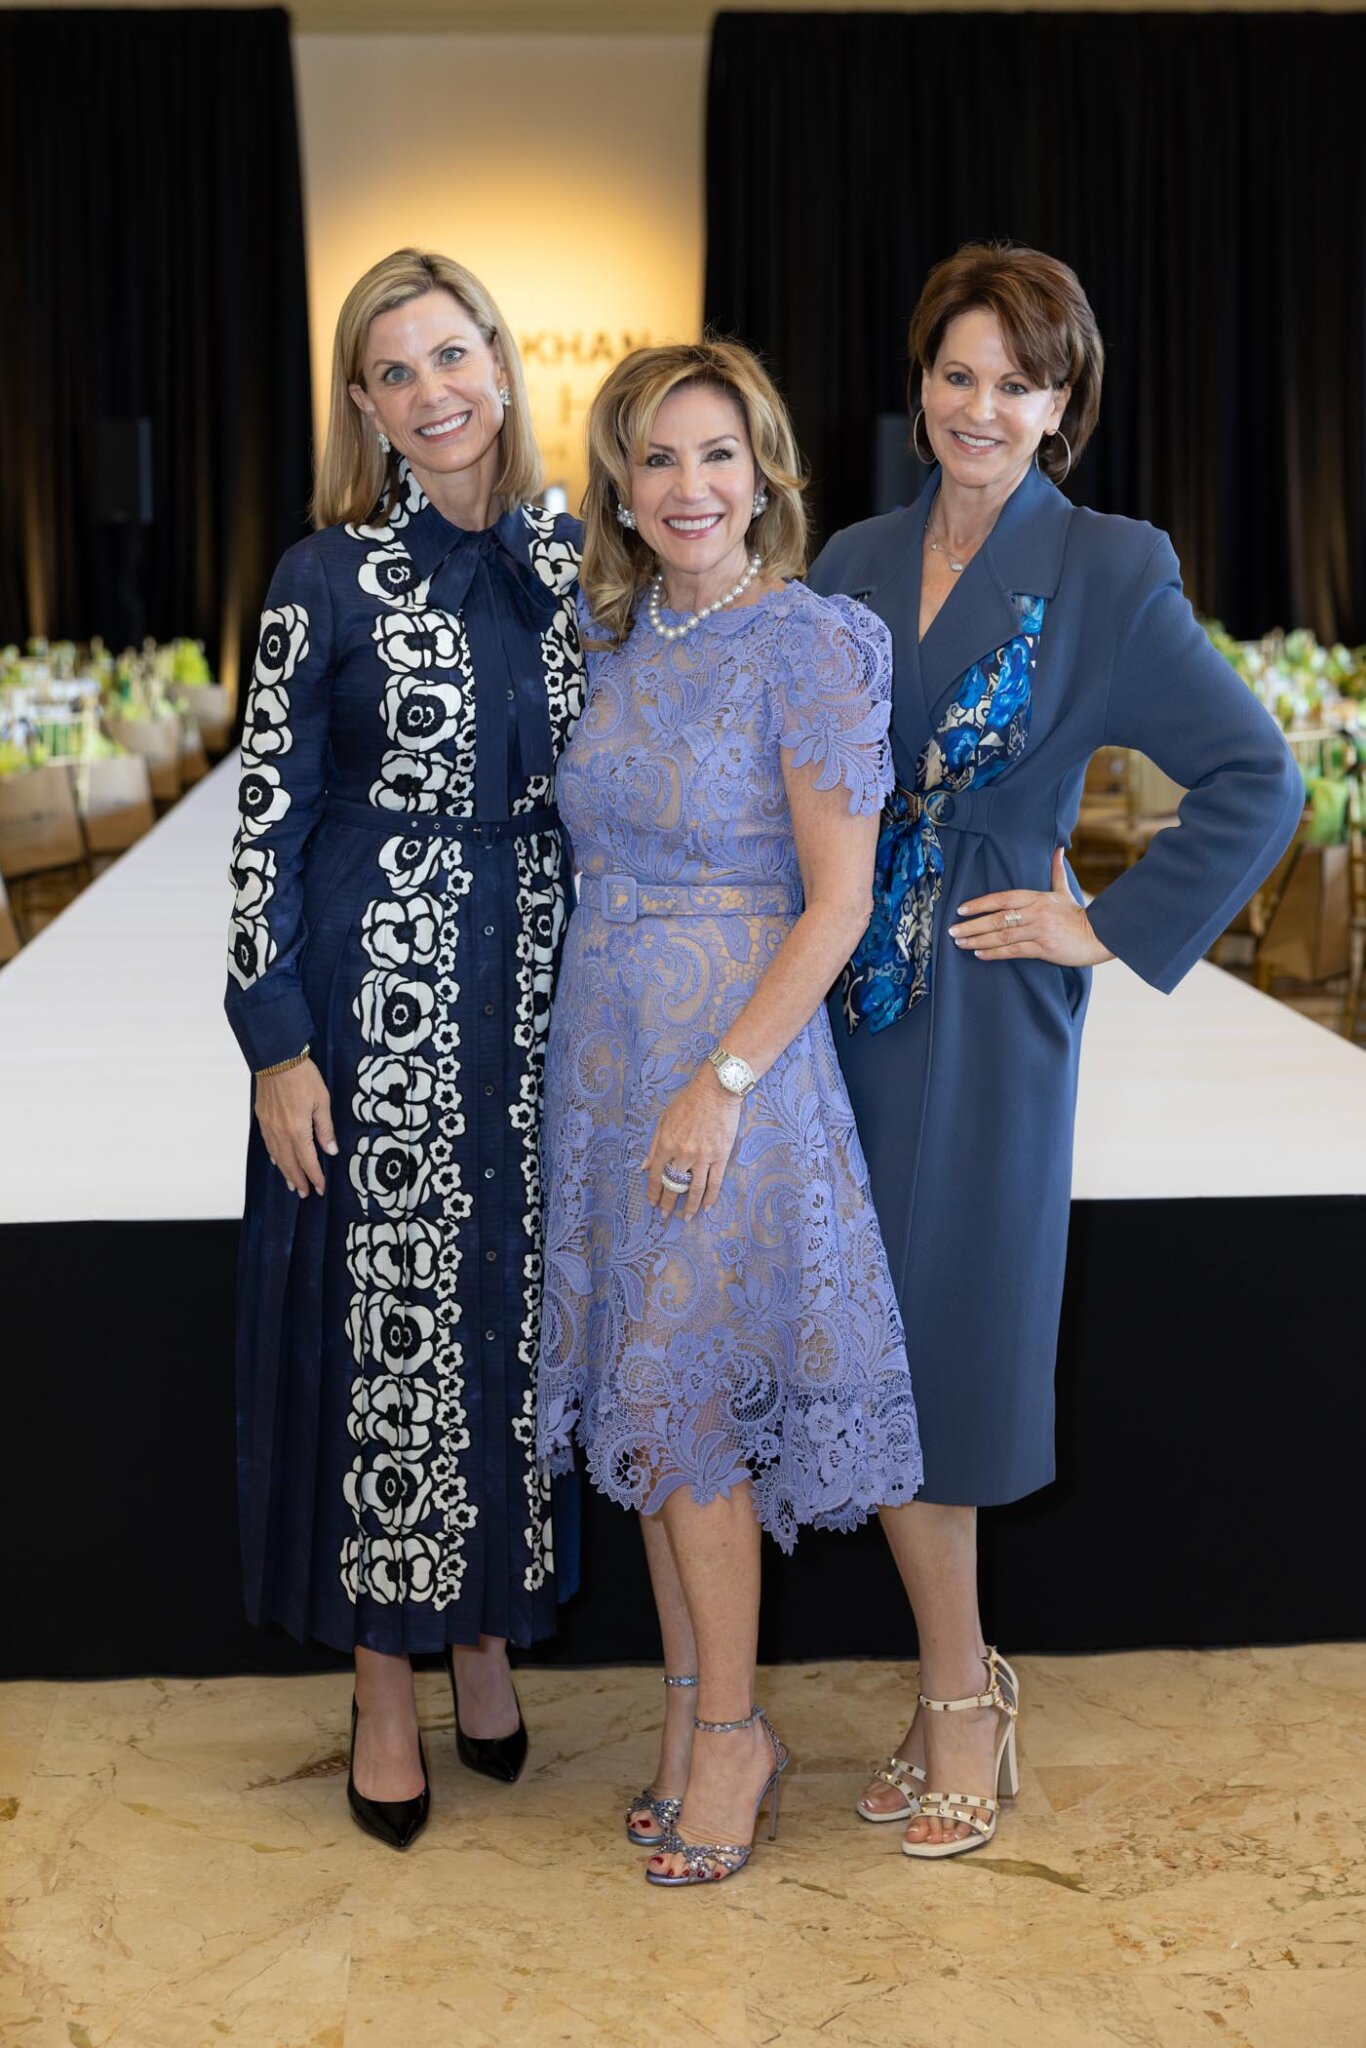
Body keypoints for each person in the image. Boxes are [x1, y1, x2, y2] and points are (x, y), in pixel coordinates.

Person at [808, 241, 1304, 1860]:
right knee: (863, 1343)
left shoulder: (1104, 564)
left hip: (981, 1000)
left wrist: (1103, 925)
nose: (979, 406)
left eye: (1015, 381)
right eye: (955, 373)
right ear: (919, 385)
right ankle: (953, 1673)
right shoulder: (854, 555)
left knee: (939, 1342)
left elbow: (1253, 777)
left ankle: (960, 1690)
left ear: (1061, 402)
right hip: (833, 998)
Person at [535, 340, 923, 1888]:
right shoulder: (612, 644)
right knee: (645, 1399)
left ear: (764, 467)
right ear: (619, 491)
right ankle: (693, 1713)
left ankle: (737, 1738)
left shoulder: (814, 644)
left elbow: (833, 908)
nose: (686, 488)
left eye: (715, 455)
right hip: (603, 1062)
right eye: (654, 459)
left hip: (733, 1072)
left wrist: (721, 1084)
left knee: (694, 1413)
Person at [224, 248, 584, 1851]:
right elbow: (263, 824)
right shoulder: (321, 576)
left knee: (512, 1328)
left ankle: (489, 1637)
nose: (433, 389)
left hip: (544, 1003)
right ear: (364, 408)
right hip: (374, 999)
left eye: (455, 354)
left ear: (500, 366)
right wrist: (275, 1038)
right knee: (388, 1346)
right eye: (395, 370)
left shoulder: (580, 555)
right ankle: (385, 1681)